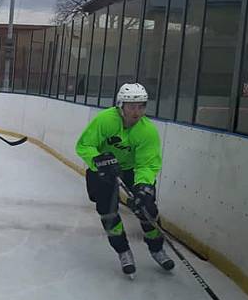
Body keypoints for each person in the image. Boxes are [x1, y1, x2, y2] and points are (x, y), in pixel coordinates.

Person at [75, 83, 174, 277]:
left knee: (147, 208)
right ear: (121, 106)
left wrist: (143, 186)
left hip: (130, 170)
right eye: (131, 106)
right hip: (102, 169)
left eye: (141, 106)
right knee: (107, 212)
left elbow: (147, 164)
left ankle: (156, 249)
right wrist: (98, 160)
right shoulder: (105, 120)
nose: (136, 112)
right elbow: (84, 145)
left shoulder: (147, 131)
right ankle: (123, 251)